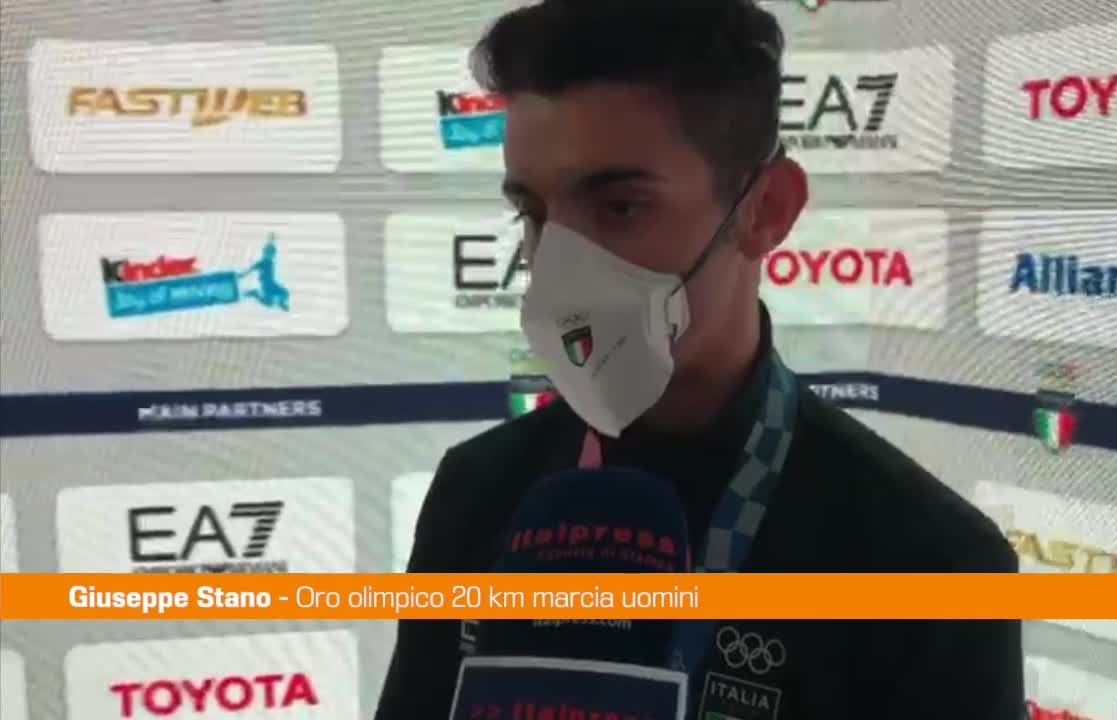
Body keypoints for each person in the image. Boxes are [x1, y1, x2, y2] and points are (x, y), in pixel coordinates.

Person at [375, 1, 1024, 717]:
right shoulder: (476, 492)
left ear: (766, 209)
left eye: (620, 208)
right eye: (532, 215)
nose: (555, 269)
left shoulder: (933, 567)